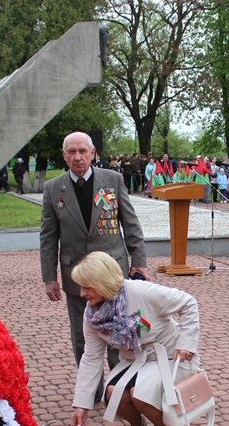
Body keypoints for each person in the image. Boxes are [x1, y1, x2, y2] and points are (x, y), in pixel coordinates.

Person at [68, 252, 199, 426]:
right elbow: (91, 357)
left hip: (168, 356)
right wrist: (81, 405)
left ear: (103, 283)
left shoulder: (141, 291)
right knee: (113, 393)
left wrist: (186, 344)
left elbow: (188, 302)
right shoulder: (92, 315)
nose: (82, 293)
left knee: (139, 394)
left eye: (87, 287)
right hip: (134, 360)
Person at [40, 131, 150, 371]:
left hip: (112, 272)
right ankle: (91, 387)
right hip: (76, 277)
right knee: (82, 339)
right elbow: (48, 237)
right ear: (64, 156)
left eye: (82, 151)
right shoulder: (53, 189)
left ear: (92, 153)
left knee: (118, 332)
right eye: (72, 152)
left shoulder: (113, 180)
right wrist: (49, 277)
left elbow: (131, 224)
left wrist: (139, 261)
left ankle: (119, 384)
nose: (77, 157)